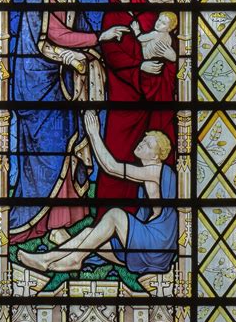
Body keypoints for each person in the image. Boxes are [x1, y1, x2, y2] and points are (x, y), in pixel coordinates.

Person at [9, 0, 104, 242]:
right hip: (38, 90)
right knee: (45, 154)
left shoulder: (74, 4)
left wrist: (90, 54)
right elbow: (54, 36)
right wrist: (84, 46)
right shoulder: (37, 1)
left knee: (67, 146)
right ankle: (38, 222)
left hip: (65, 89)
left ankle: (61, 224)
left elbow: (78, 37)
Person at [18, 111, 178, 276]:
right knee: (89, 233)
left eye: (148, 145)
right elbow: (107, 166)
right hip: (151, 250)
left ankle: (73, 259)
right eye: (144, 139)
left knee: (115, 214)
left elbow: (112, 167)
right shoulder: (150, 174)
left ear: (156, 156)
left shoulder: (156, 171)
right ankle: (47, 259)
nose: (142, 143)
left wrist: (94, 133)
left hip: (155, 248)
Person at [96, 0, 158, 208]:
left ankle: (135, 212)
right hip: (122, 95)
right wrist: (139, 67)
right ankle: (106, 212)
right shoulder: (111, 16)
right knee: (117, 149)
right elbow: (112, 56)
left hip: (150, 95)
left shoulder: (149, 14)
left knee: (142, 155)